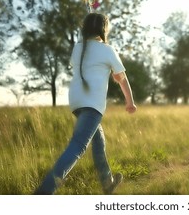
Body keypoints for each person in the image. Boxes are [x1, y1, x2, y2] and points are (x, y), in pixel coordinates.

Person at [34, 13, 137, 195]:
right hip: (92, 103)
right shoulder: (107, 50)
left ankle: (108, 183)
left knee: (98, 140)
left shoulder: (78, 48)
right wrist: (130, 102)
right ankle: (44, 192)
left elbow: (84, 65)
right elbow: (122, 78)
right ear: (104, 30)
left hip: (76, 101)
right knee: (79, 145)